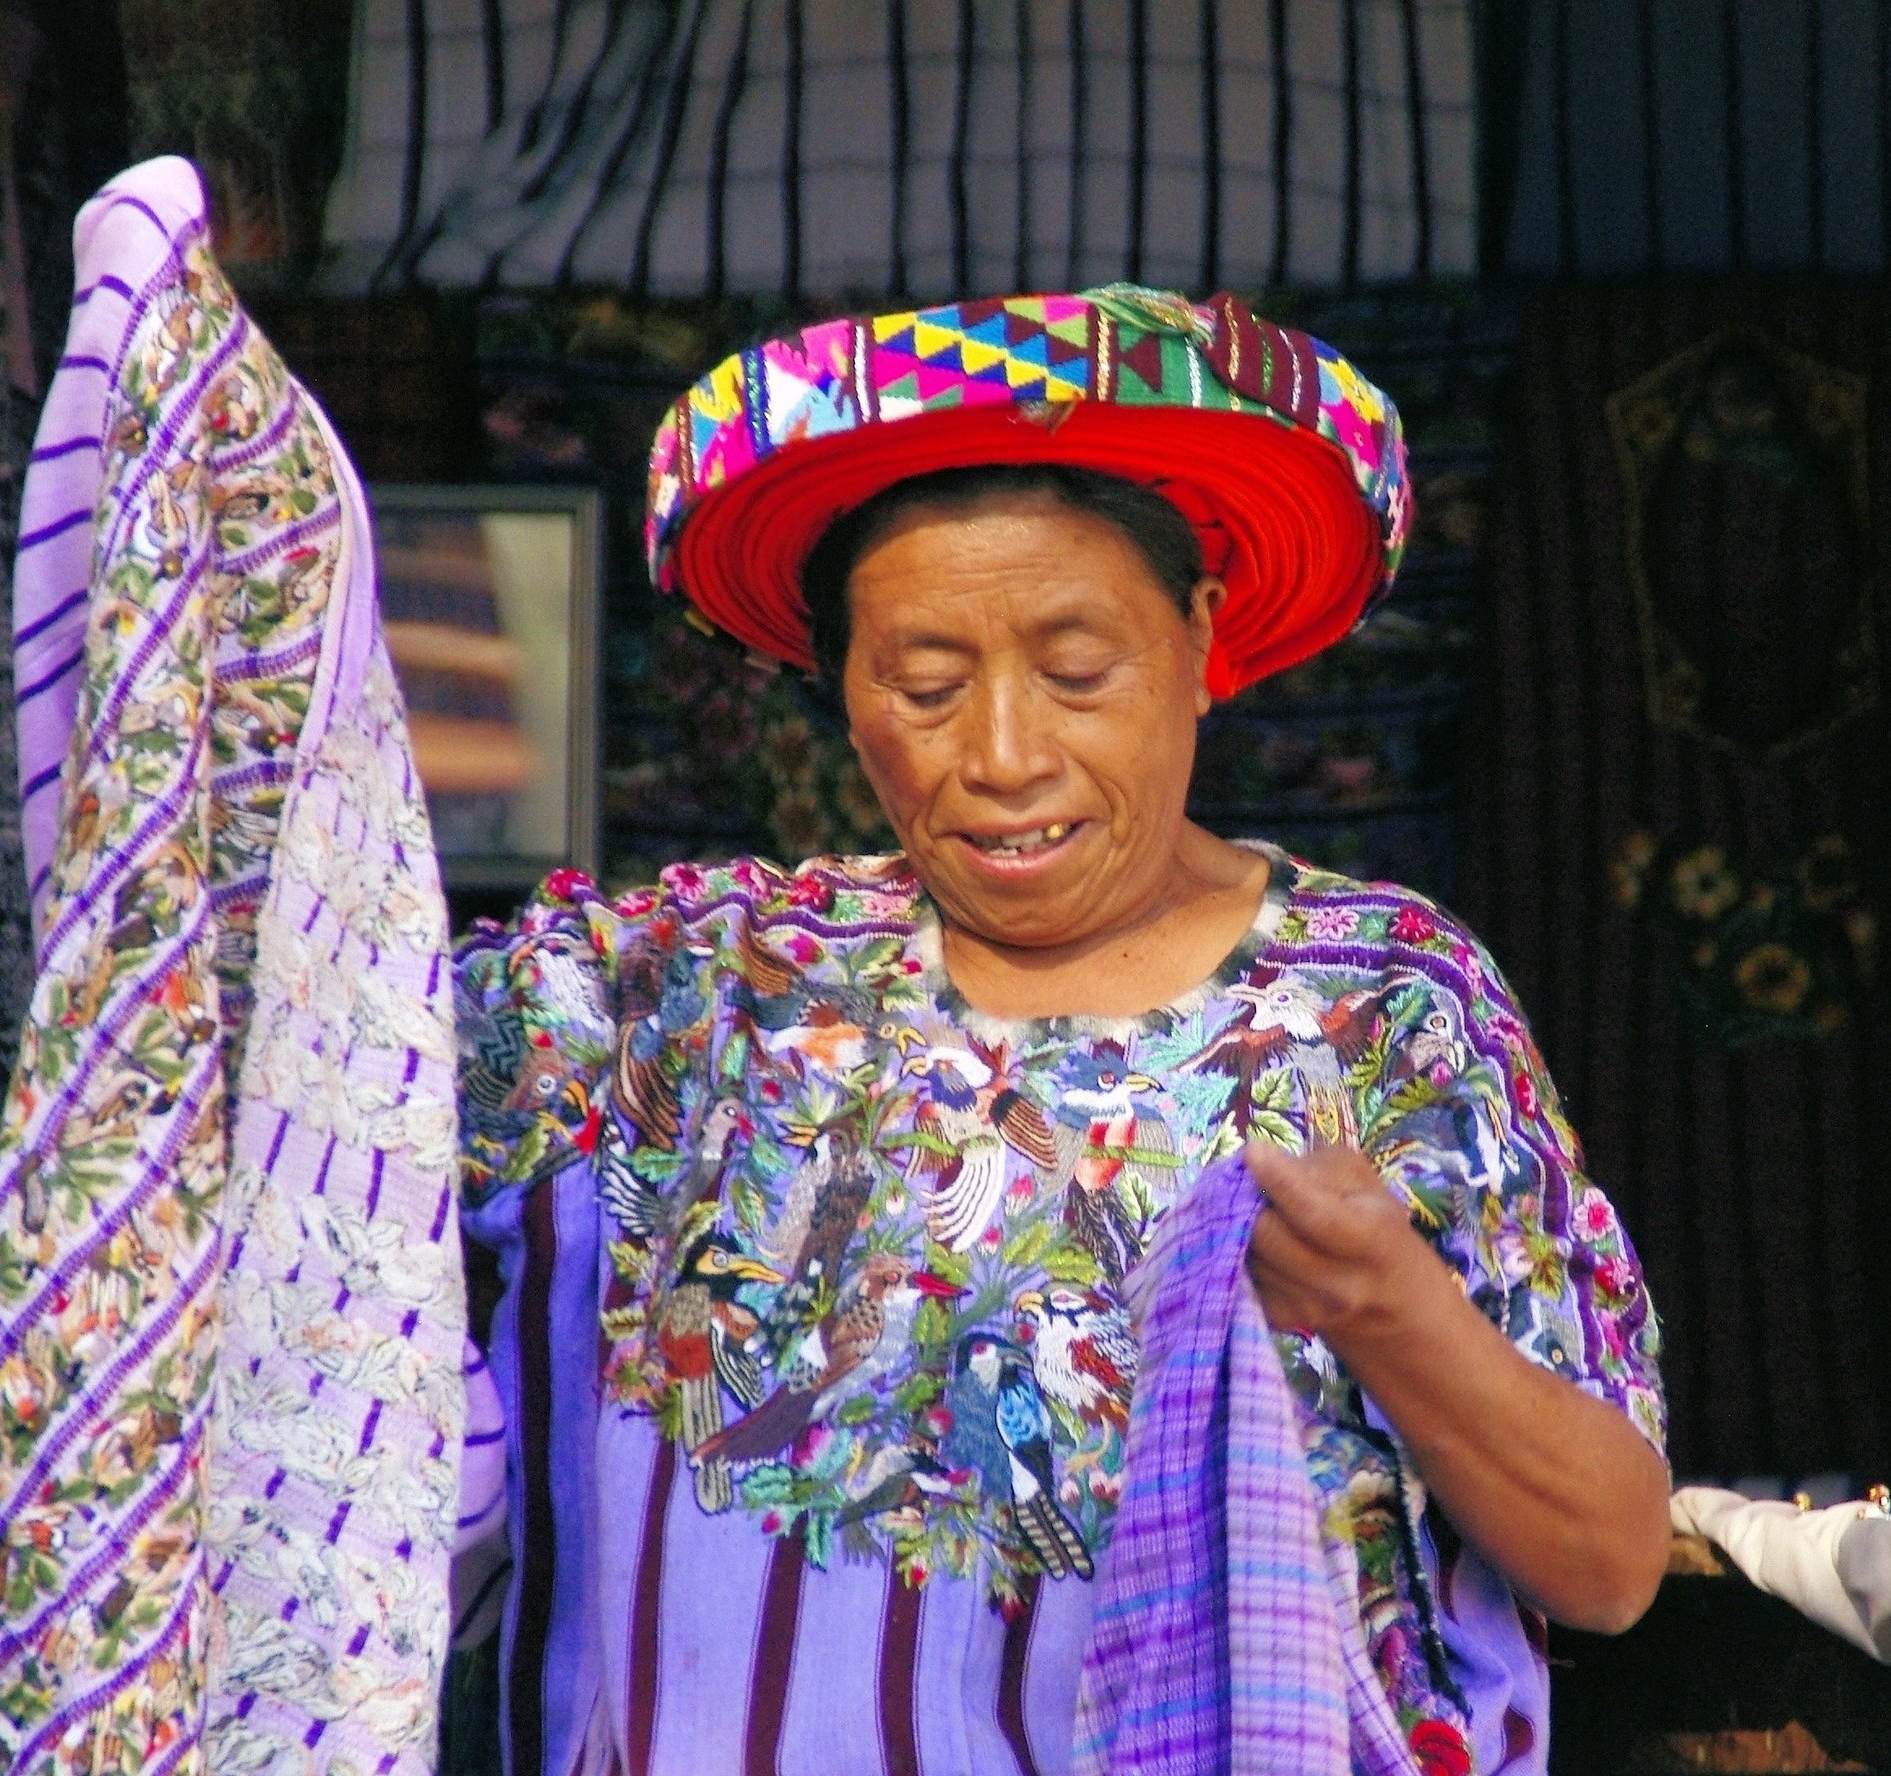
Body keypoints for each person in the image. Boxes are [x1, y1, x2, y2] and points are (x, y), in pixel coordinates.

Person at [458, 288, 1669, 1776]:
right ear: (842, 693)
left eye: (1078, 671)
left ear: (1205, 641)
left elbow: (1608, 1560)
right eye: (924, 686)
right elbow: (315, 1060)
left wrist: (1389, 1309)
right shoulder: (697, 991)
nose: (1005, 756)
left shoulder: (1383, 1009)